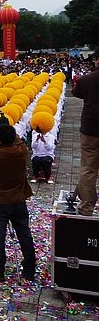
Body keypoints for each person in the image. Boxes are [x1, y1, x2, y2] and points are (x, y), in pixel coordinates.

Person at [0, 123, 36, 282]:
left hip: (1, 200)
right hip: (19, 198)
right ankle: (29, 268)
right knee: (24, 233)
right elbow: (18, 140)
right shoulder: (22, 150)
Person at [72, 54, 99, 216]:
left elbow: (77, 93)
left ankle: (87, 206)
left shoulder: (85, 80)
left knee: (89, 169)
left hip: (91, 130)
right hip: (90, 129)